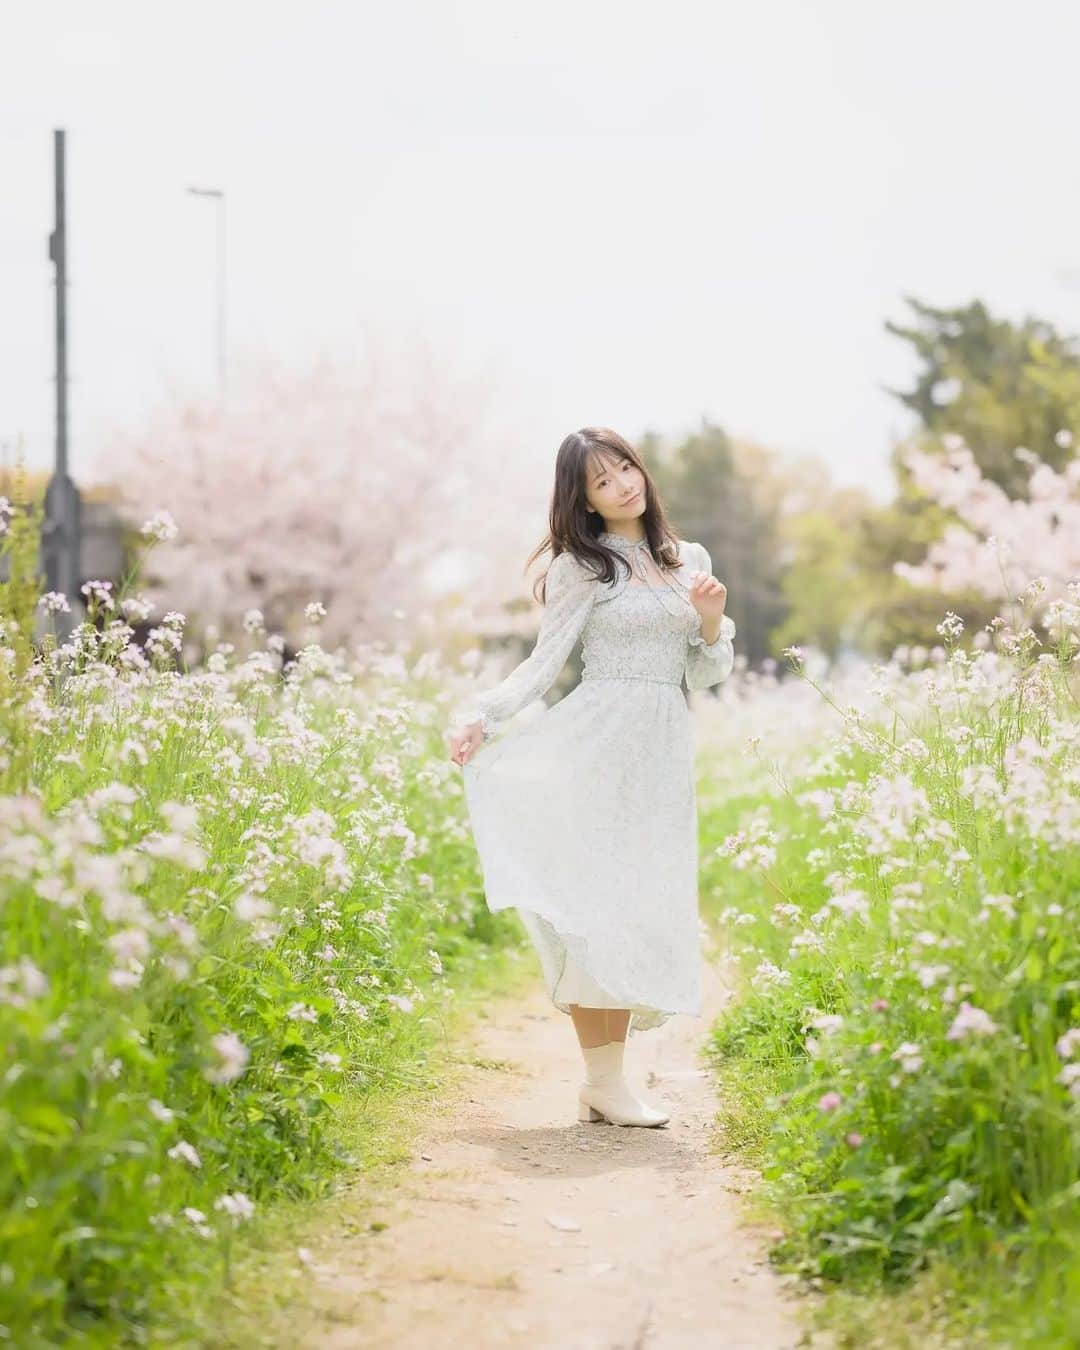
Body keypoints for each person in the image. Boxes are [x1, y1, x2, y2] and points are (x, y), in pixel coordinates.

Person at [446, 427, 736, 1128]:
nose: (621, 486)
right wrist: (484, 714)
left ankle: (606, 1085)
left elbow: (708, 674)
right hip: (599, 742)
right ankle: (606, 1082)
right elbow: (545, 662)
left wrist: (710, 622)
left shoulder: (686, 558)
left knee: (641, 899)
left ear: (642, 469)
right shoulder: (585, 565)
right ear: (583, 500)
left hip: (662, 749)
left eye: (625, 469)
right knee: (598, 904)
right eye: (601, 482)